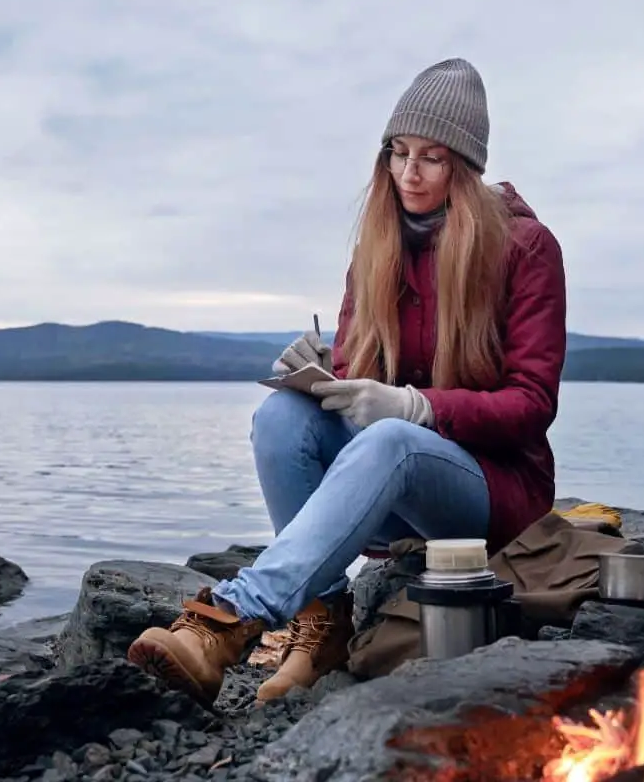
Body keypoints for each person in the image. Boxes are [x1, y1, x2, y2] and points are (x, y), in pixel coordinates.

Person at [127, 57, 567, 707]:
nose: (409, 173)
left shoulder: (527, 247)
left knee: (393, 437)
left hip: (493, 493)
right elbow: (358, 378)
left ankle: (229, 621)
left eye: (432, 158)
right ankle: (323, 626)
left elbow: (532, 405)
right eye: (398, 152)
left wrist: (417, 407)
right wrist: (320, 372)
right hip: (391, 478)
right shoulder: (377, 247)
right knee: (280, 418)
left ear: (465, 167)